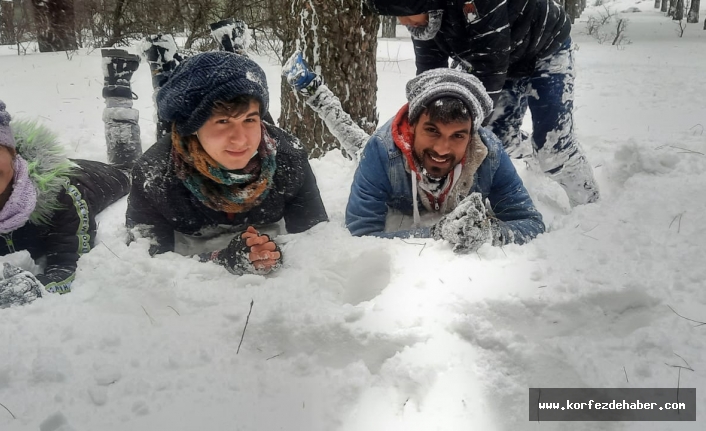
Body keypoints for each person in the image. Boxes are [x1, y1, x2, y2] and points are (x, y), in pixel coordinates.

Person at [366, 0, 600, 207]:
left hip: (545, 49)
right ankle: (532, 151)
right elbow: (430, 75)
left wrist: (462, 131)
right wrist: (419, 125)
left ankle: (590, 207)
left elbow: (489, 68)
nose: (402, 21)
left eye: (406, 12)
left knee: (554, 149)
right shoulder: (424, 19)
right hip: (499, 60)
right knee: (498, 142)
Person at [125, 52, 329, 275]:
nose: (241, 139)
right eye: (223, 121)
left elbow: (316, 238)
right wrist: (221, 259)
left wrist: (273, 251)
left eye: (249, 119)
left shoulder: (288, 158)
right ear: (192, 128)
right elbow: (147, 263)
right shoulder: (155, 175)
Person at [345, 69, 545, 253]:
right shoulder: (380, 151)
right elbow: (361, 234)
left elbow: (530, 222)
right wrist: (437, 235)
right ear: (413, 125)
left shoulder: (490, 153)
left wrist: (489, 233)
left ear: (472, 135)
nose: (442, 149)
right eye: (432, 131)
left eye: (458, 136)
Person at [0, 100, 132, 307]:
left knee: (130, 171)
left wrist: (37, 288)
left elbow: (69, 263)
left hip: (104, 177)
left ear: (12, 151)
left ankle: (121, 116)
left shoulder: (60, 194)